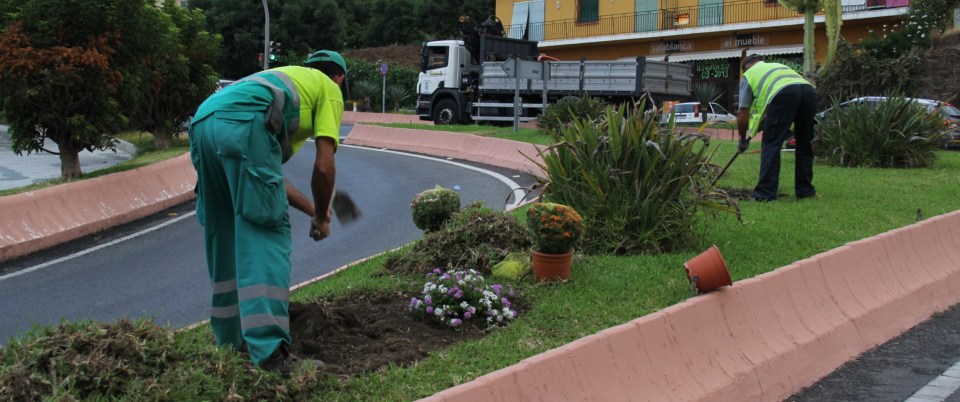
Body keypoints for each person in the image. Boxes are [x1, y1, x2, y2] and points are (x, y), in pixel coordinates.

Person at [188, 50, 347, 376]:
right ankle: (272, 355)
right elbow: (324, 165)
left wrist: (316, 211)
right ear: (340, 78)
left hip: (202, 122)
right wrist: (319, 215)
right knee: (265, 233)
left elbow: (269, 178)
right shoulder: (329, 89)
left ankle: (230, 346)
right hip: (243, 123)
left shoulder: (283, 80)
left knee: (225, 235)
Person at [736, 54, 819, 201]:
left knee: (771, 145)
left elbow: (742, 114)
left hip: (784, 94)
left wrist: (742, 139)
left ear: (747, 67)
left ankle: (765, 194)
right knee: (804, 144)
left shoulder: (749, 75)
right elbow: (776, 103)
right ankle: (805, 191)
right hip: (809, 92)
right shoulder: (778, 67)